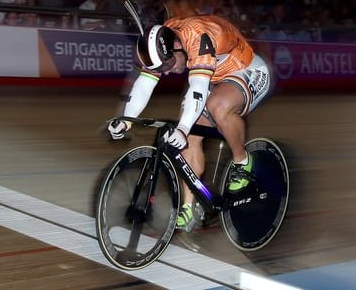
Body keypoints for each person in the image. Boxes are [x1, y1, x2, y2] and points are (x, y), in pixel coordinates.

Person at [107, 14, 272, 232]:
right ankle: (188, 205)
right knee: (188, 134)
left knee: (216, 107)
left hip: (245, 69)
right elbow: (145, 84)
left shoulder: (198, 36)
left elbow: (198, 87)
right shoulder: (161, 42)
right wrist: (126, 120)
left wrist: (183, 127)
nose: (165, 71)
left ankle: (243, 162)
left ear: (177, 47)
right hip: (213, 78)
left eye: (167, 64)